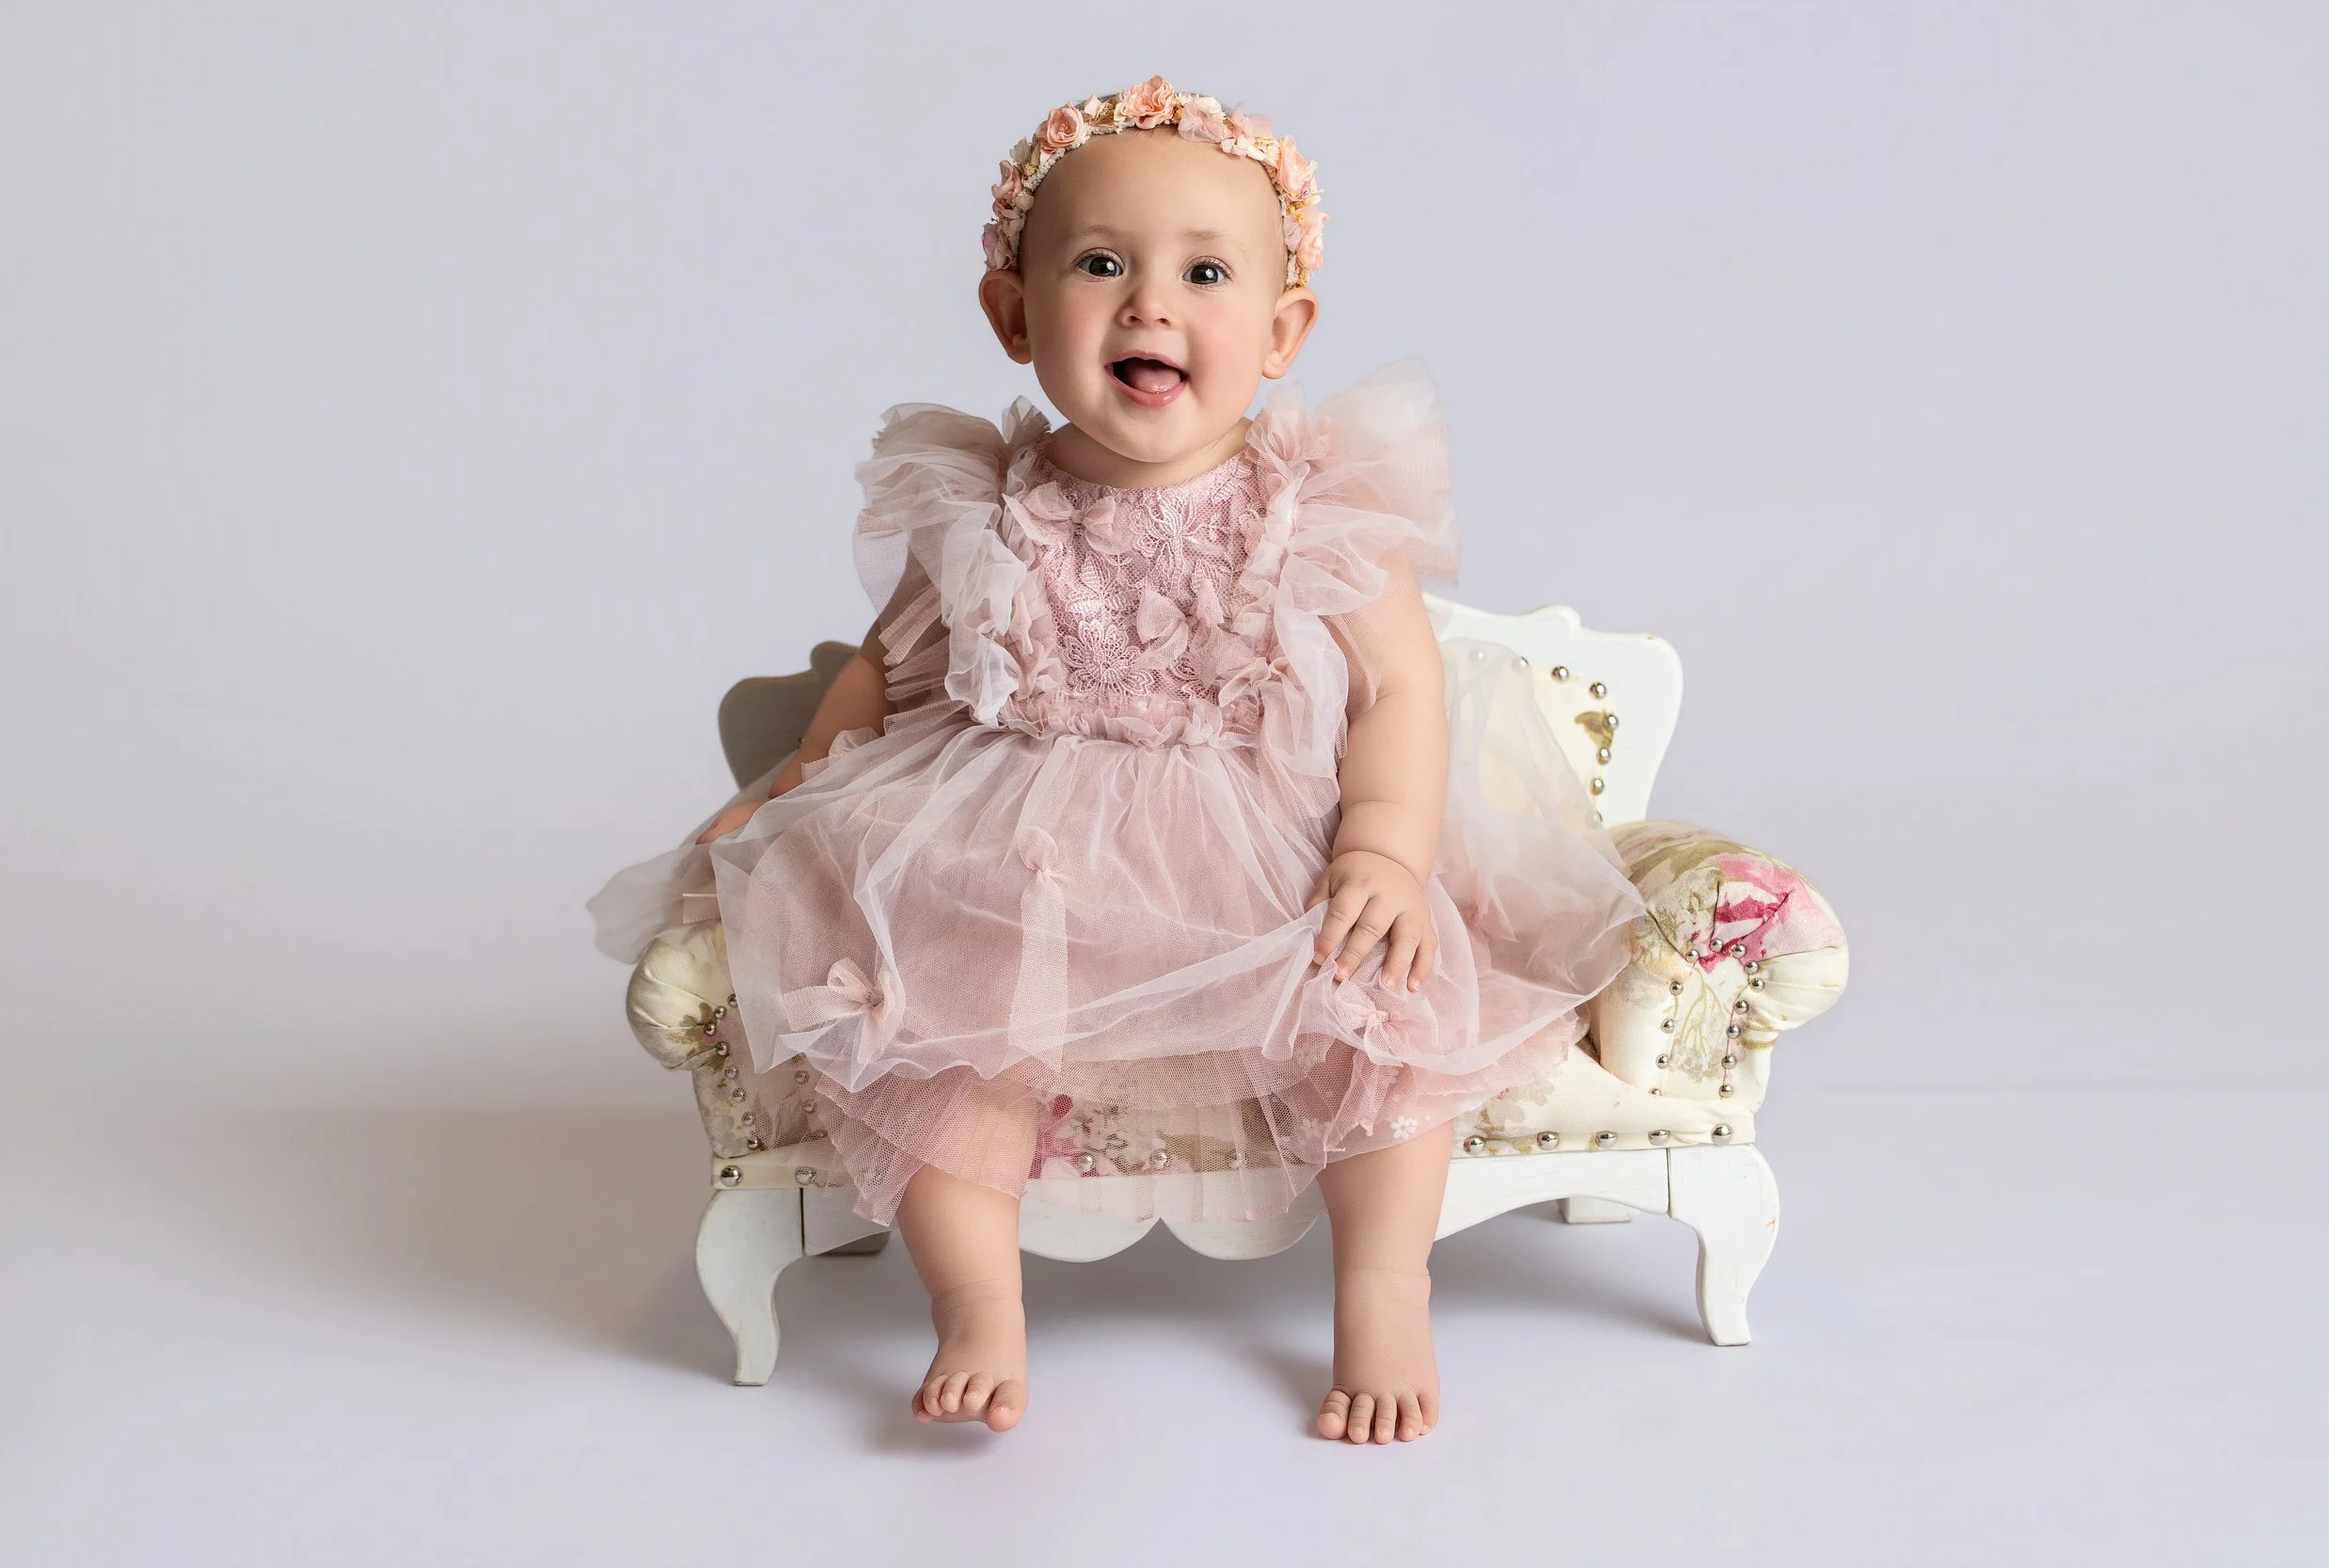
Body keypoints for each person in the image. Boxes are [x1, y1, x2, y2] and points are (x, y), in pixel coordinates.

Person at [589, 79, 1644, 1444]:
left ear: (1279, 332)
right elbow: (890, 666)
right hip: (1019, 852)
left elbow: (1399, 693)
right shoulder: (987, 508)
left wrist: (1380, 848)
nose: (1150, 303)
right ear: (1016, 315)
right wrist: (807, 769)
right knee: (925, 1026)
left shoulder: (1317, 509)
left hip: (1265, 856)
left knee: (1378, 1011)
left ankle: (1384, 1284)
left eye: (1204, 271)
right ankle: (979, 1301)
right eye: (1101, 266)